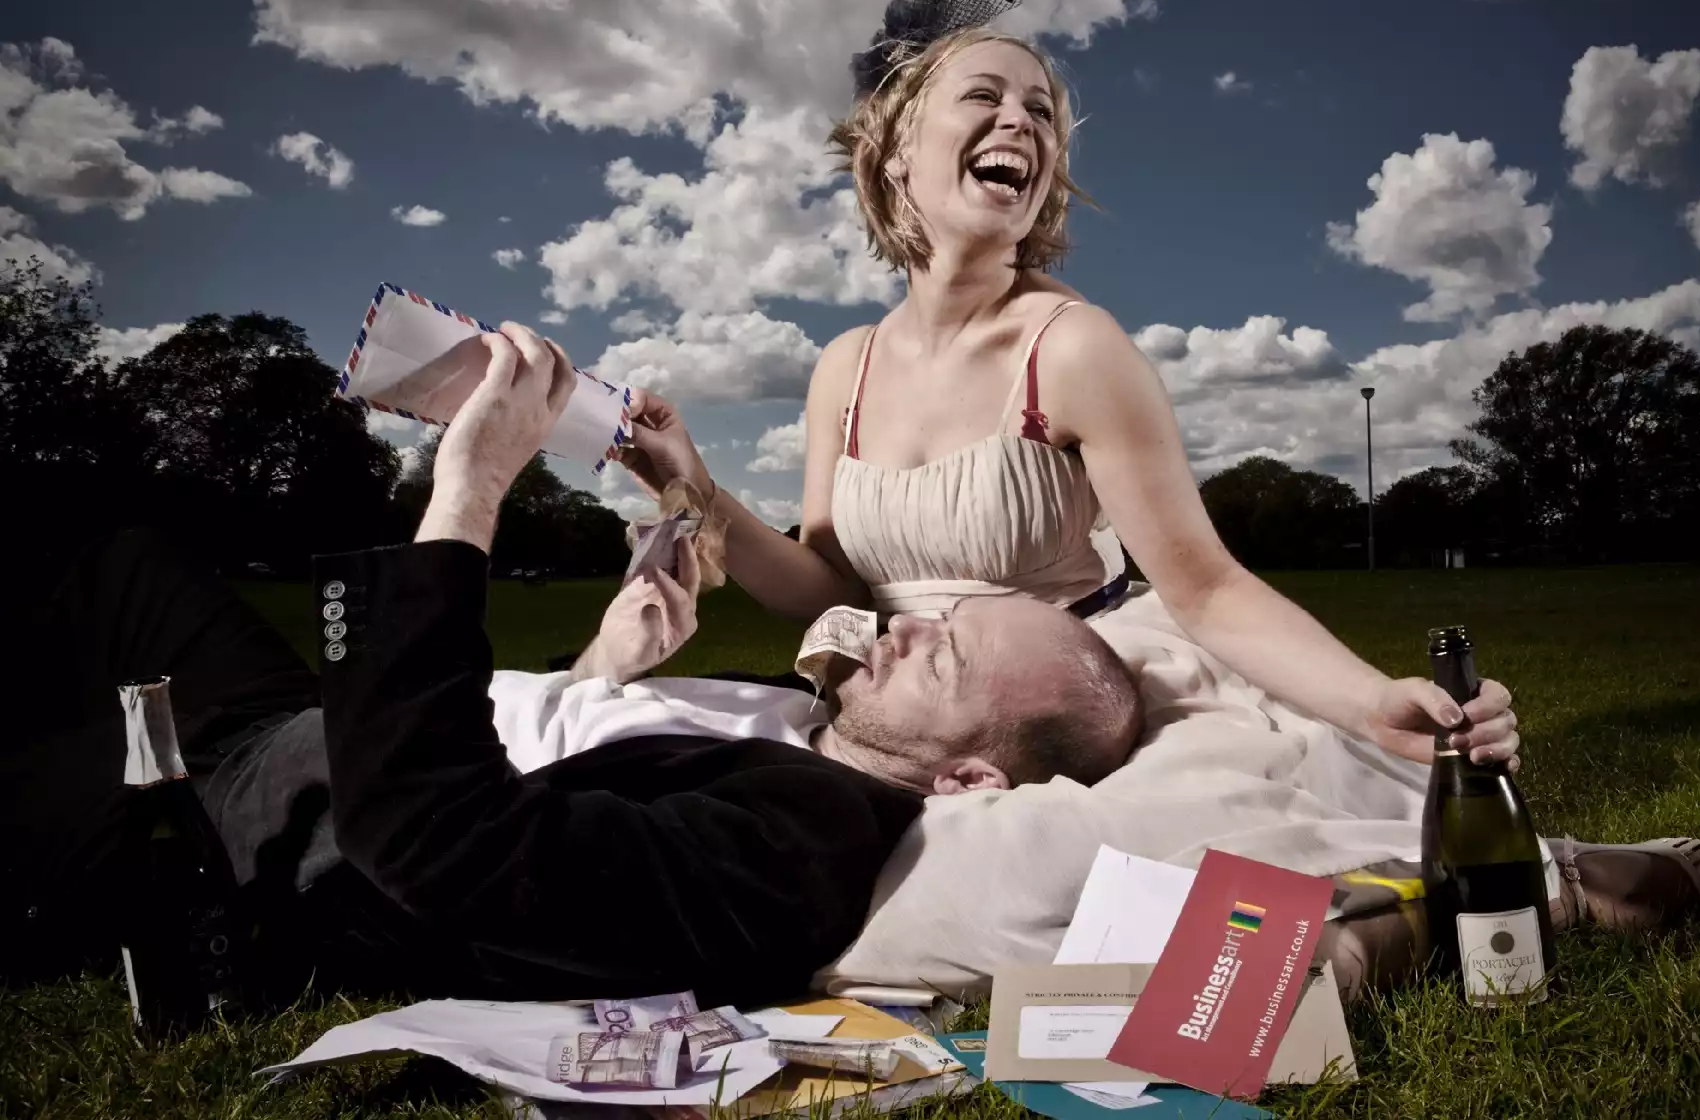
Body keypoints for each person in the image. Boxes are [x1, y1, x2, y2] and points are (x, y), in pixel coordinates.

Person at [610, 0, 1700, 997]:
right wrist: (692, 490)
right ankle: (1358, 937)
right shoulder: (845, 367)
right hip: (916, 708)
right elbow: (824, 583)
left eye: (1043, 110)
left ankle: (1569, 882)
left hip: (1085, 695)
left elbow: (1207, 588)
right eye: (986, 96)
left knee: (1051, 875)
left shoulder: (1074, 348)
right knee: (834, 885)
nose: (1024, 122)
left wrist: (1370, 701)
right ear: (895, 147)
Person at [0, 322, 1143, 1011]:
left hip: (242, 822)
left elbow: (445, 842)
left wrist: (470, 491)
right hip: (303, 719)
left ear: (968, 780)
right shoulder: (805, 722)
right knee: (124, 560)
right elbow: (564, 747)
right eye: (940, 617)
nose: (905, 626)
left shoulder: (803, 843)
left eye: (944, 658)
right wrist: (610, 660)